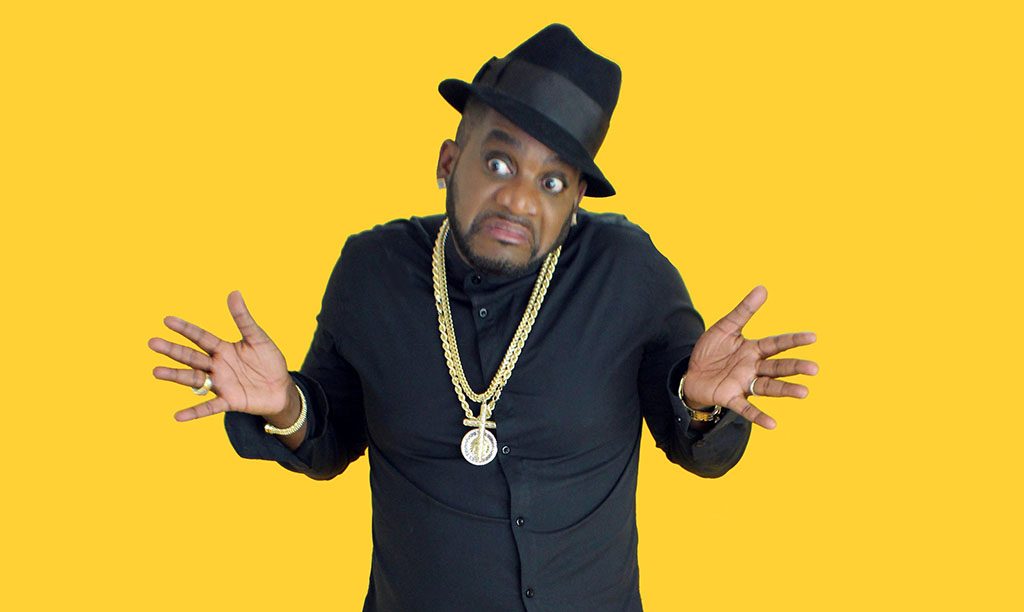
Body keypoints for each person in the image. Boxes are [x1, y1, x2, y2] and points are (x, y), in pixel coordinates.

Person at [148, 24, 817, 611]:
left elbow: (698, 449)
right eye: (499, 162)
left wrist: (701, 405)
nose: (520, 199)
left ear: (576, 201)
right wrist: (285, 404)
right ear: (449, 161)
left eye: (552, 182)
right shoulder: (371, 272)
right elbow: (329, 441)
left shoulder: (627, 273)